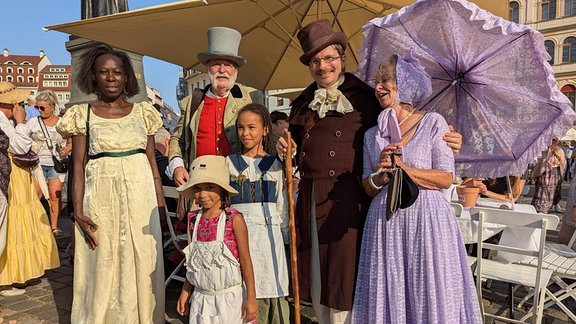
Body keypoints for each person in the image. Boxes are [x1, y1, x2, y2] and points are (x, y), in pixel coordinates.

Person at [276, 19, 463, 322]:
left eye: (329, 58)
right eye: (315, 61)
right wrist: (284, 148)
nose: (323, 66)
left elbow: (409, 120)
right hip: (314, 200)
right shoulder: (301, 104)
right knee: (317, 280)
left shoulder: (366, 97)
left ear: (342, 58)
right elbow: (294, 146)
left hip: (351, 204)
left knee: (347, 283)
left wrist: (450, 138)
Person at [351, 55, 481, 323]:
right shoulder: (372, 134)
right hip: (385, 222)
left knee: (426, 288)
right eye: (376, 82)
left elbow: (445, 177)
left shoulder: (433, 122)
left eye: (386, 81)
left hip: (427, 221)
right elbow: (368, 186)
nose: (378, 87)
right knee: (390, 289)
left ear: (406, 84)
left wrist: (404, 169)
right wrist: (382, 173)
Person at [56, 43, 165, 323]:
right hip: (100, 196)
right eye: (103, 72)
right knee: (102, 259)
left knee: (141, 257)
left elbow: (152, 160)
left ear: (127, 76)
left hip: (141, 196)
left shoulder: (143, 112)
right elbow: (78, 165)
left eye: (117, 72)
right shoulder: (84, 114)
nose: (111, 77)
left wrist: (160, 202)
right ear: (93, 77)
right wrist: (76, 210)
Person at [168, 26, 263, 186]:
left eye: (228, 65)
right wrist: (177, 166)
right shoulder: (192, 102)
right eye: (216, 64)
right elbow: (178, 138)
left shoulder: (250, 98)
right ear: (208, 68)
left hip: (239, 181)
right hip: (201, 183)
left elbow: (266, 136)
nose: (222, 70)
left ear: (236, 71)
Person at [227, 104, 290, 323]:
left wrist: (285, 236)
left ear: (264, 130)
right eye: (241, 127)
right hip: (240, 237)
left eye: (252, 127)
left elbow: (282, 206)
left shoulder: (275, 165)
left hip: (269, 239)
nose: (245, 133)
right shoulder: (229, 164)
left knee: (271, 283)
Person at [175, 155, 257, 323]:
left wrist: (251, 298)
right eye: (198, 187)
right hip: (202, 300)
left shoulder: (234, 219)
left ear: (222, 189)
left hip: (231, 301)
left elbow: (245, 260)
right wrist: (185, 290)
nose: (203, 194)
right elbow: (194, 262)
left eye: (210, 187)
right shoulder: (193, 220)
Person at [0, 81, 60, 297]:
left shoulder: (5, 120)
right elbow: (19, 146)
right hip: (13, 176)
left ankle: (21, 272)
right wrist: (21, 122)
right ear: (11, 103)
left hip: (18, 175)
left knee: (21, 222)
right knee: (15, 223)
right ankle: (11, 276)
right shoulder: (5, 120)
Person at [27, 90, 72, 237]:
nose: (39, 110)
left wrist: (67, 149)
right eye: (37, 107)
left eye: (42, 108)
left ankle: (53, 227)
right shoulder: (33, 122)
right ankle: (34, 226)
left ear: (52, 107)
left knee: (54, 196)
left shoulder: (62, 123)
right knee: (36, 196)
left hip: (56, 164)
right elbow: (22, 139)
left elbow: (71, 141)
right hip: (37, 164)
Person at [531, 138, 566, 213]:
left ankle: (553, 205)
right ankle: (540, 209)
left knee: (553, 193)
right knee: (542, 192)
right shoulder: (543, 149)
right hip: (544, 174)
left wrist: (556, 154)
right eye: (552, 139)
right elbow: (540, 162)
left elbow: (563, 164)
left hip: (555, 174)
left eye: (554, 140)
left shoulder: (559, 150)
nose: (553, 141)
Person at [461, 176, 526, 203]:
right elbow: (461, 187)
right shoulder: (486, 165)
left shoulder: (519, 173)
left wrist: (486, 192)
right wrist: (472, 182)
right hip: (480, 206)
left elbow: (513, 198)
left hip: (503, 211)